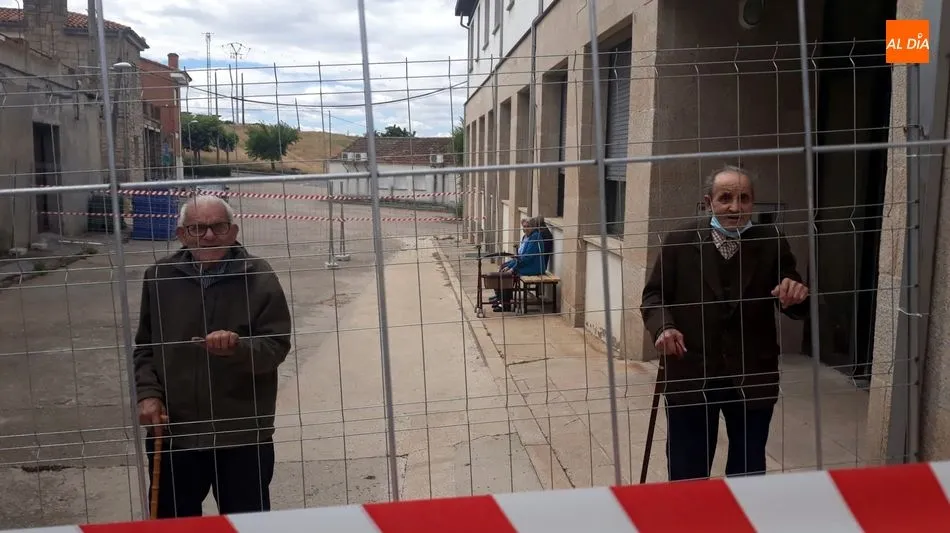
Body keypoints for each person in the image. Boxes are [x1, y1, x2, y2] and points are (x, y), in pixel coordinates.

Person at [640, 165, 809, 481]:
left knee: (748, 468)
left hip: (751, 373)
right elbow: (653, 296)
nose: (735, 207)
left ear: (753, 203)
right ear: (708, 202)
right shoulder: (680, 240)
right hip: (691, 370)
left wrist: (794, 295)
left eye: (744, 198)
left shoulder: (771, 241)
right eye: (725, 198)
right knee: (687, 468)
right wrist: (664, 327)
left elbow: (793, 293)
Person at [133, 195, 292, 518]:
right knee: (173, 521)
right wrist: (148, 395)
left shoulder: (259, 275)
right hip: (175, 432)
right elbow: (146, 347)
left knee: (247, 522)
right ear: (181, 235)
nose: (207, 236)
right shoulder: (159, 277)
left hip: (242, 434)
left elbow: (275, 347)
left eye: (217, 227)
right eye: (196, 228)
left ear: (233, 231)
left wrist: (238, 348)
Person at [484, 216, 548, 312]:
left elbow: (527, 258)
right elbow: (520, 256)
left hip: (533, 266)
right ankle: (500, 298)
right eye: (524, 226)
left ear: (533, 227)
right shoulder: (526, 236)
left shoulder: (535, 237)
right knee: (503, 266)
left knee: (508, 275)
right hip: (525, 263)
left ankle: (505, 304)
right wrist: (509, 265)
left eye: (528, 226)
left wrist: (513, 268)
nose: (525, 229)